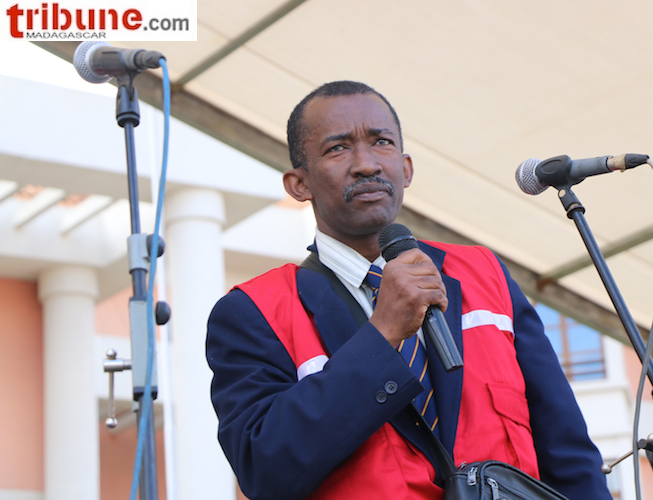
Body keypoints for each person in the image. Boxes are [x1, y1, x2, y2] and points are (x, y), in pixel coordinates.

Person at [206, 80, 613, 500]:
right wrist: (382, 333)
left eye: (381, 142)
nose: (366, 164)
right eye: (337, 148)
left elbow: (566, 450)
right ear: (299, 184)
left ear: (406, 169)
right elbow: (264, 469)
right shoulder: (255, 312)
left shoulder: (484, 273)